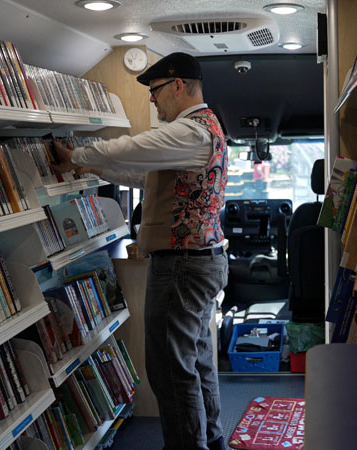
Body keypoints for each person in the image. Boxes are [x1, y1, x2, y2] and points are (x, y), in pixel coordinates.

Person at [53, 52, 228, 450]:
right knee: (196, 361)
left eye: (156, 90)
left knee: (170, 369)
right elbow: (142, 174)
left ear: (179, 85)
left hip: (182, 266)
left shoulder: (190, 132)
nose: (152, 100)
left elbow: (135, 149)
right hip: (201, 261)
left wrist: (80, 155)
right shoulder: (205, 129)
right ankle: (211, 441)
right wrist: (90, 168)